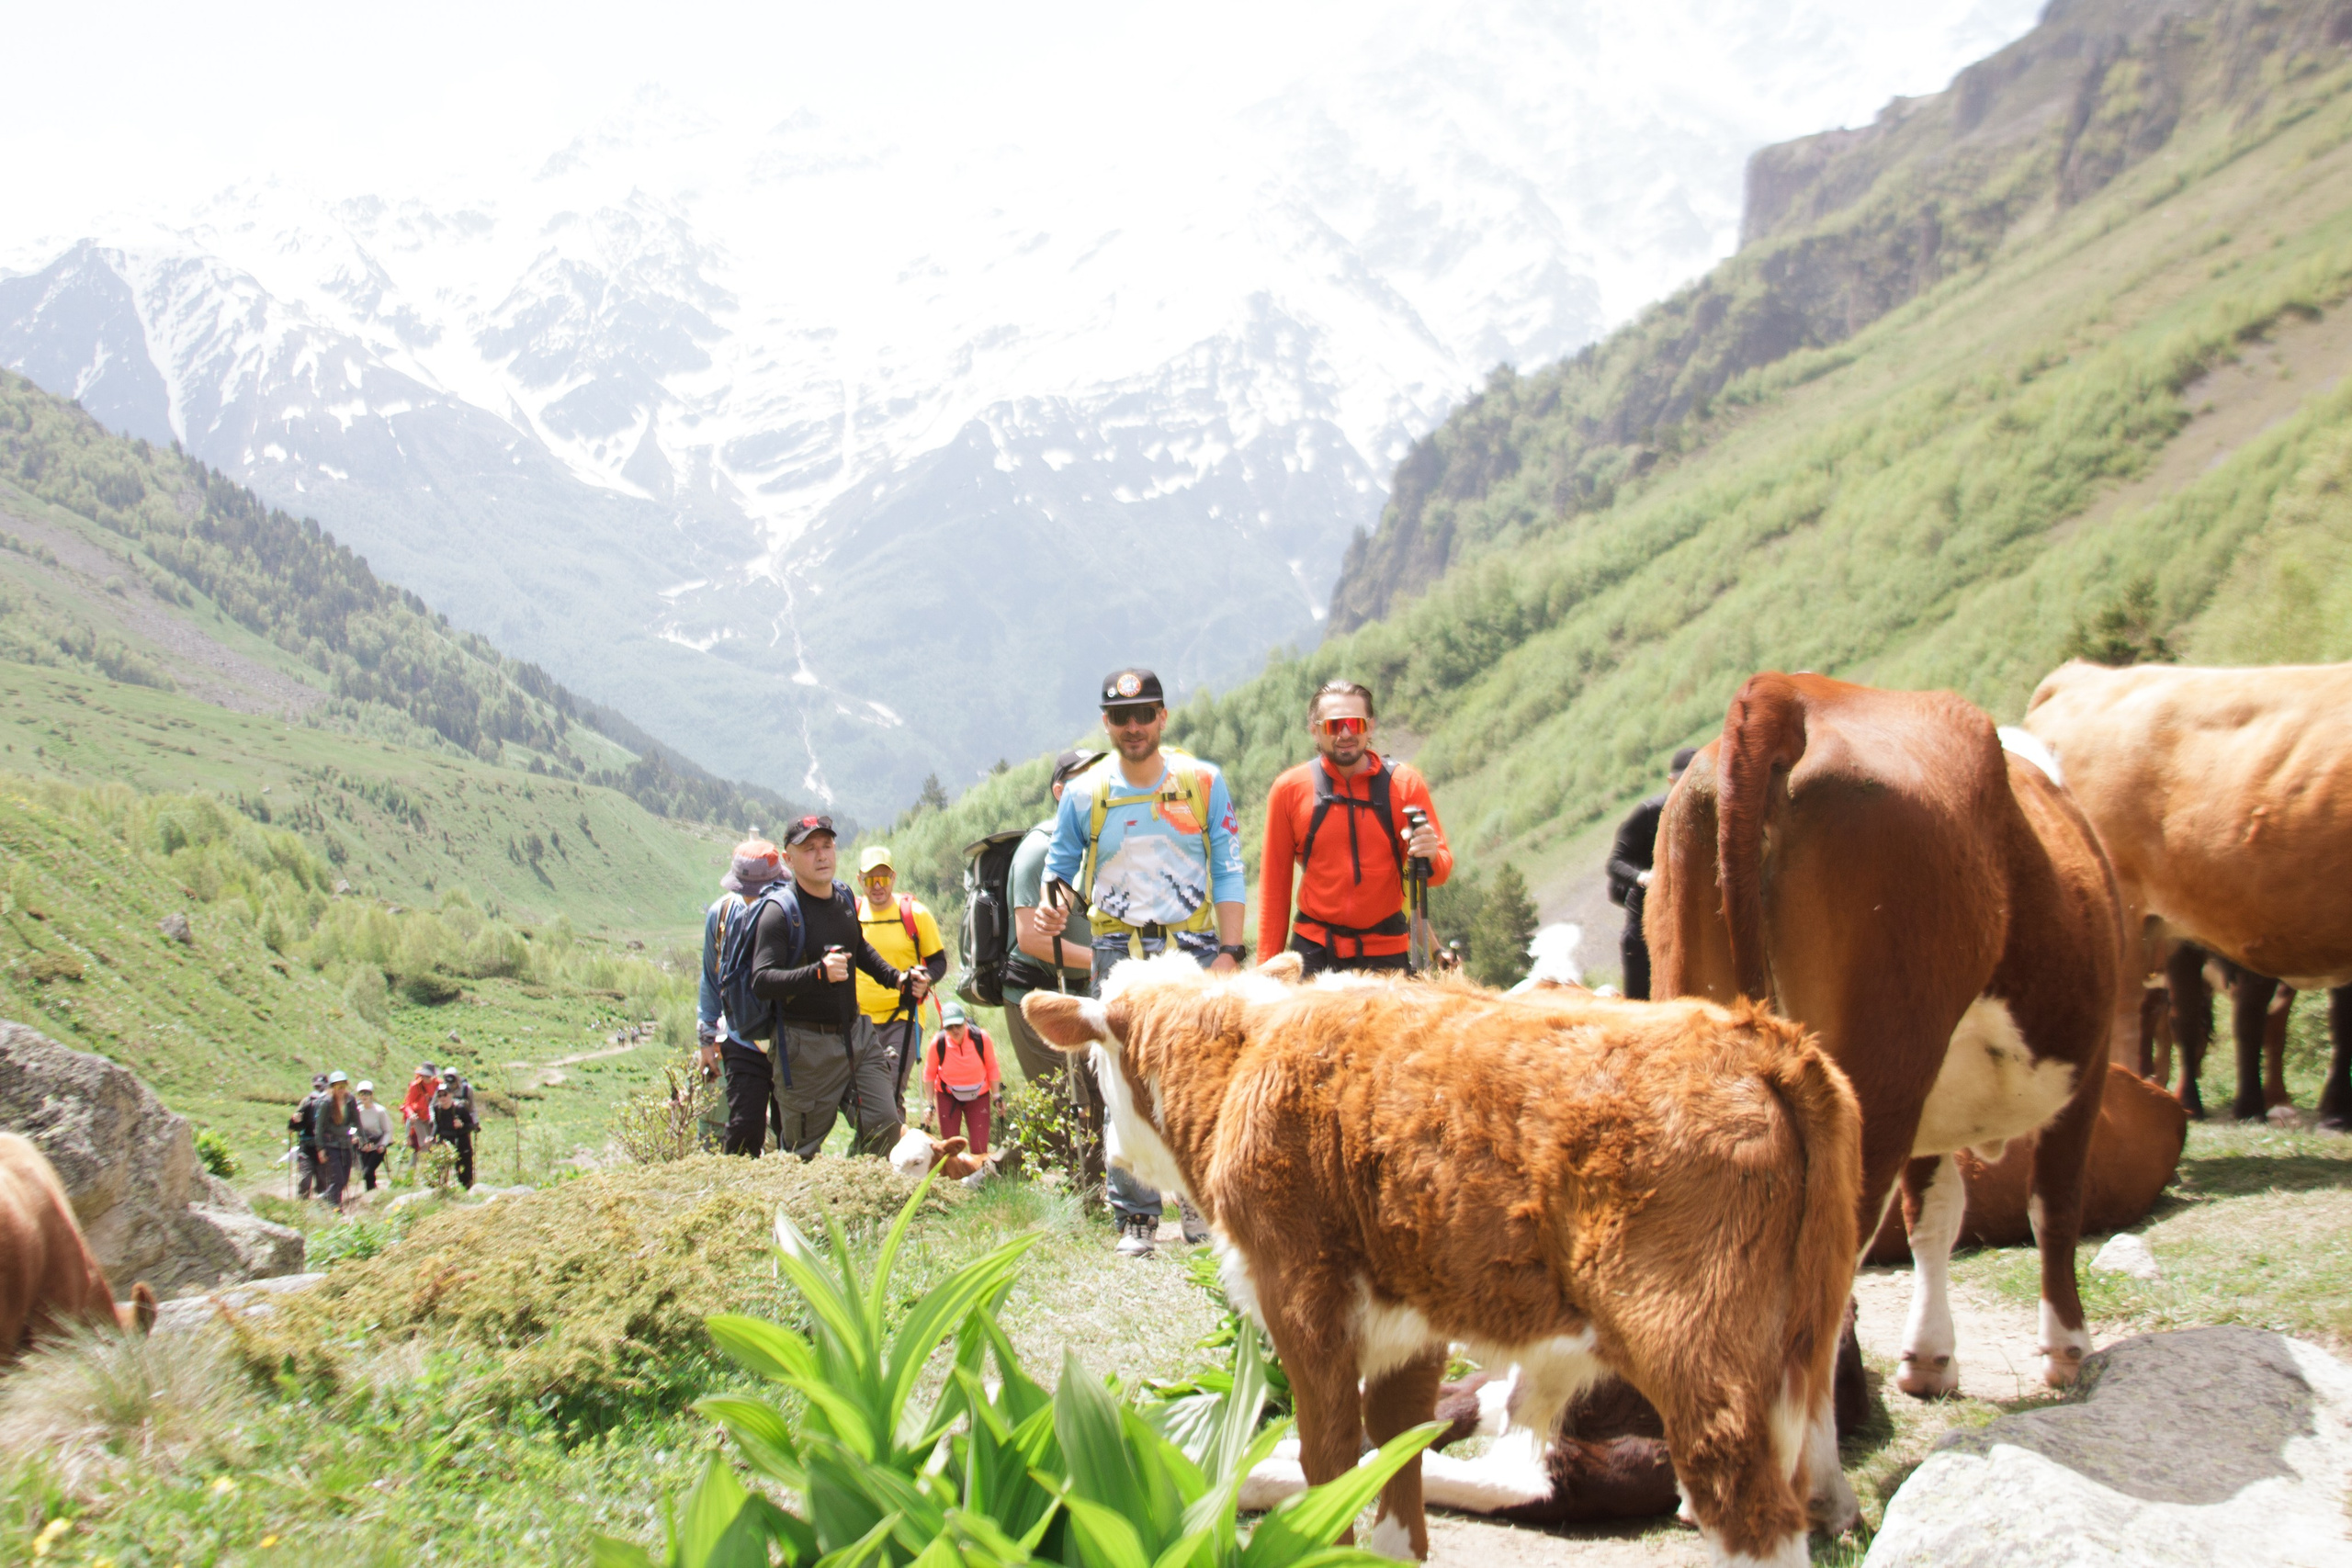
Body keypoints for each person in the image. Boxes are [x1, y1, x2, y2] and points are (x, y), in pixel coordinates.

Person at [1040, 667, 1245, 1257]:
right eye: (1120, 717)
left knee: (1202, 1080)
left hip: (1194, 948)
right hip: (1118, 950)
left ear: (1162, 717)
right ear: (1106, 723)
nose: (1133, 727)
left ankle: (1203, 1208)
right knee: (1121, 1084)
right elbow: (1061, 869)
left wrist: (1230, 952)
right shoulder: (1085, 792)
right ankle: (1135, 1215)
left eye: (1144, 714)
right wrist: (1054, 908)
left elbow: (1228, 866)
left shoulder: (1204, 781)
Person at [749, 814, 932, 1159]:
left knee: (885, 1125)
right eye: (809, 849)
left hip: (857, 1037)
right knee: (801, 1153)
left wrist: (897, 979)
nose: (821, 856)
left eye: (827, 846)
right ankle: (812, 1206)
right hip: (805, 1049)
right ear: (787, 859)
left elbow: (859, 949)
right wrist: (817, 973)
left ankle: (861, 1193)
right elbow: (761, 980)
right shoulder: (779, 912)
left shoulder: (845, 896)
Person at [1257, 680, 1452, 976]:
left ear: (1370, 727)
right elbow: (1275, 891)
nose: (1345, 733)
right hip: (1314, 951)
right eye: (1334, 726)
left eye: (1355, 723)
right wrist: (1266, 973)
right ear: (1315, 730)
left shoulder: (1405, 785)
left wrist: (1431, 856)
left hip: (1386, 951)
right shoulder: (1289, 790)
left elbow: (1439, 873)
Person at [1002, 750, 1105, 1187]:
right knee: (1066, 1101)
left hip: (1081, 991)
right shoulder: (1039, 850)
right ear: (1059, 791)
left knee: (1100, 1096)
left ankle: (1095, 1189)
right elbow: (1031, 939)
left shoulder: (1095, 846)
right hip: (1037, 994)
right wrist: (1103, 961)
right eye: (1083, 782)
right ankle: (1003, 1178)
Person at [699, 838, 787, 1156]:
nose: (756, 898)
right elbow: (711, 977)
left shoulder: (792, 913)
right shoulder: (720, 916)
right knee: (742, 1129)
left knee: (790, 1133)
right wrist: (706, 1038)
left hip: (787, 1040)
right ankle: (739, 1198)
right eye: (748, 891)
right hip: (738, 1038)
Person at [853, 844, 948, 1125]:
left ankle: (889, 1156)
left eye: (884, 878)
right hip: (860, 1019)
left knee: (891, 1088)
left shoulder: (916, 914)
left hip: (905, 1016)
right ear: (860, 880)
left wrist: (926, 979)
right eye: (871, 879)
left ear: (893, 878)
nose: (878, 886)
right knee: (862, 1093)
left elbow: (938, 962)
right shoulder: (852, 914)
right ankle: (878, 1152)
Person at [1607, 747, 1695, 1001]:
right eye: (1684, 780)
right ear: (1671, 781)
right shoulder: (1649, 813)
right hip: (1643, 926)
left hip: (1687, 926)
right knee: (1641, 1007)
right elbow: (1615, 863)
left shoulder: (1710, 811)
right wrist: (1644, 877)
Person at [922, 1002, 1001, 1157]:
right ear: (944, 1027)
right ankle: (953, 1180)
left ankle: (979, 1180)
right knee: (950, 1149)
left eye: (958, 1024)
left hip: (979, 1096)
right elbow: (929, 1074)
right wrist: (929, 1104)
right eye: (950, 1027)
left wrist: (997, 1095)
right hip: (948, 1097)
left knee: (980, 1148)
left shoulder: (981, 1038)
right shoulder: (938, 1042)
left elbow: (992, 1066)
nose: (955, 1030)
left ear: (965, 1021)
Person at [311, 1070, 360, 1208]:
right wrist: (320, 1149)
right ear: (332, 1087)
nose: (340, 1090)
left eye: (343, 1086)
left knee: (344, 1180)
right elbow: (319, 1128)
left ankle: (325, 1198)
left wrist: (353, 1134)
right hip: (331, 1145)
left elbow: (354, 1124)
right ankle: (335, 1207)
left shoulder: (350, 1101)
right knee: (337, 1179)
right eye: (337, 1086)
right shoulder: (326, 1103)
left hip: (345, 1144)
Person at [433, 1070, 478, 1189]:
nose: (443, 1098)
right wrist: (431, 1138)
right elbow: (437, 1125)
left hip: (461, 1141)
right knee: (441, 1171)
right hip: (445, 1141)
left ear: (451, 1095)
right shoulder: (437, 1109)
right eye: (440, 1095)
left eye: (445, 1094)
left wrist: (462, 1125)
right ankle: (441, 1191)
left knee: (464, 1173)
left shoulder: (460, 1109)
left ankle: (468, 1191)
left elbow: (471, 1126)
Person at [289, 1073, 327, 1199]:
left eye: (321, 1086)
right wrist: (295, 1121)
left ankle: (324, 1206)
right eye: (316, 1086)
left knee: (323, 1179)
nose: (319, 1089)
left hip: (324, 1145)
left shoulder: (331, 1102)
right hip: (306, 1145)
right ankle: (302, 1206)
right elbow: (295, 1121)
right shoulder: (307, 1101)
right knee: (305, 1178)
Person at [353, 1081, 393, 1192]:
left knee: (368, 1171)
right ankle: (371, 1191)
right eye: (361, 1093)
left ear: (372, 1095)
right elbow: (353, 1128)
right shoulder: (357, 1111)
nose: (364, 1096)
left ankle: (372, 1192)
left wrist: (383, 1145)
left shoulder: (380, 1111)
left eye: (367, 1093)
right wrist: (353, 1137)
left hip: (377, 1147)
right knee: (365, 1173)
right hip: (364, 1146)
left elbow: (387, 1130)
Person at [400, 1063, 437, 1173]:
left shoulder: (438, 1084)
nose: (426, 1079)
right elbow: (407, 1104)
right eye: (424, 1076)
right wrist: (411, 1114)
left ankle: (427, 1171)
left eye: (429, 1076)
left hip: (432, 1119)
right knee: (424, 1144)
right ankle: (427, 1171)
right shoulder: (415, 1086)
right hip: (418, 1118)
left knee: (433, 1144)